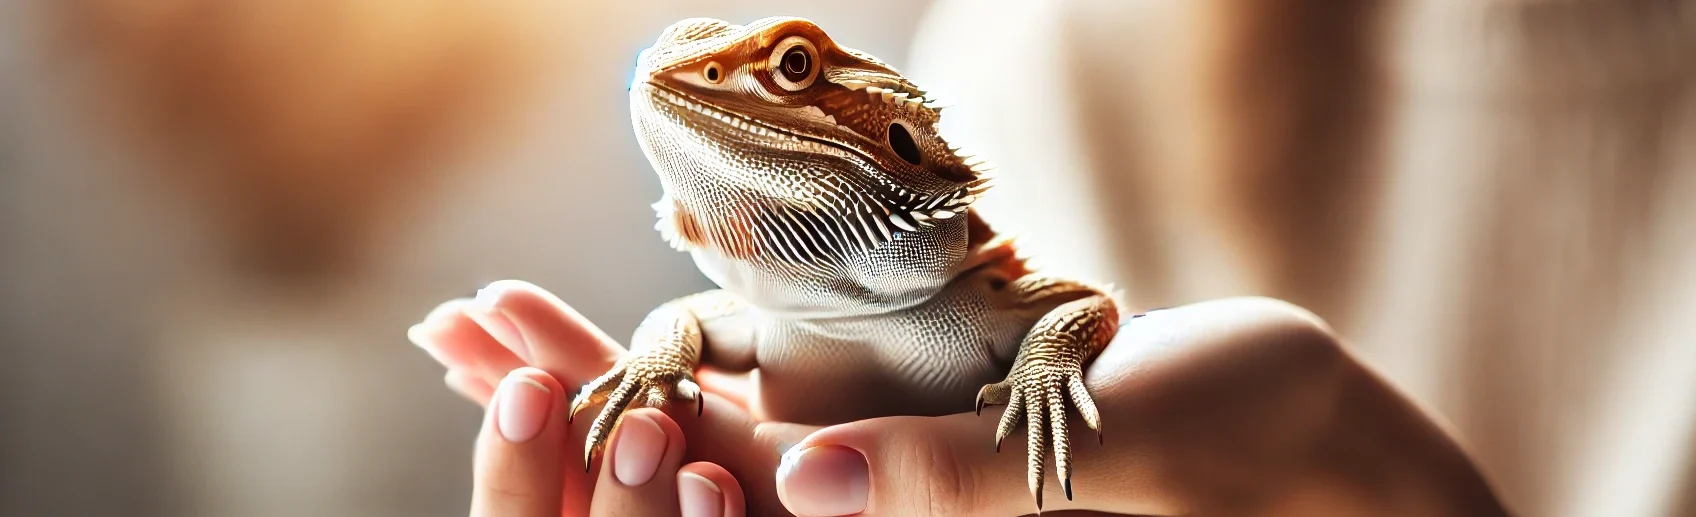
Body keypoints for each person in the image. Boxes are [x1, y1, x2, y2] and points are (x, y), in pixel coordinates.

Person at [411, 280, 1511, 516]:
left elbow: (1078, 310)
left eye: (788, 70)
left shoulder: (963, 279)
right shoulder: (1025, 48)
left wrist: (1041, 369)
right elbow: (687, 325)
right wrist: (652, 367)